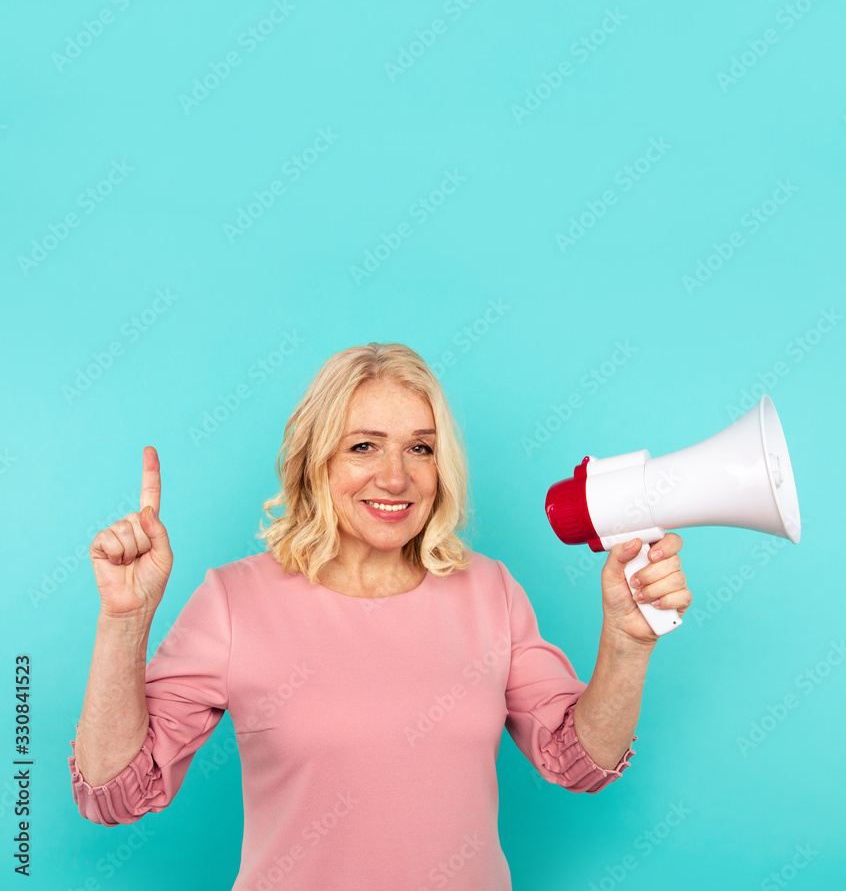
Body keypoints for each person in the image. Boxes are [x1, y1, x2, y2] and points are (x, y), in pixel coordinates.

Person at [69, 342, 692, 890]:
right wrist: (124, 619)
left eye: (420, 448)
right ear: (316, 461)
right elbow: (113, 793)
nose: (395, 477)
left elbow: (579, 761)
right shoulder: (235, 600)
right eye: (363, 446)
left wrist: (628, 642)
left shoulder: (490, 590)